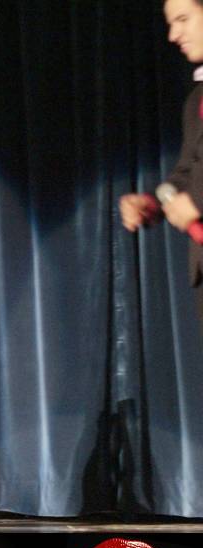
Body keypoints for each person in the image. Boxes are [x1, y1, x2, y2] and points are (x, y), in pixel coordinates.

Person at [120, 0, 203, 321]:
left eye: (183, 19)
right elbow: (187, 172)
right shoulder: (196, 100)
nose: (173, 34)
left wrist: (196, 202)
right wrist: (154, 202)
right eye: (170, 23)